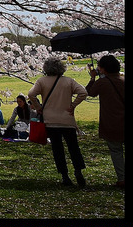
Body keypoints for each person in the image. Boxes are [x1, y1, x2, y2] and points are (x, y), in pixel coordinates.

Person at [28, 56, 88, 187]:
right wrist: (73, 105)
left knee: (57, 148)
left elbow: (31, 94)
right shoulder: (69, 81)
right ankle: (78, 171)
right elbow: (83, 92)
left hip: (50, 121)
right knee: (73, 147)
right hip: (67, 120)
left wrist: (39, 108)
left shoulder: (42, 81)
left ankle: (65, 176)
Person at [85, 54, 124, 188]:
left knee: (116, 151)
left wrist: (92, 78)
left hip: (112, 122)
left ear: (104, 69)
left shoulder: (102, 83)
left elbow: (89, 92)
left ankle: (122, 178)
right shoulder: (123, 80)